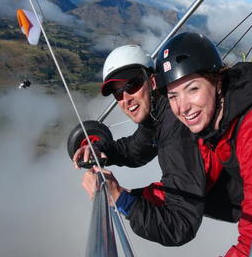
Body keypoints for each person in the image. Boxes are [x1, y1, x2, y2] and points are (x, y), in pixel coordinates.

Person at [155, 32, 252, 257]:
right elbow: (193, 178)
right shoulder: (218, 124)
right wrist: (129, 198)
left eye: (193, 89)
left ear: (217, 82)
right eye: (173, 96)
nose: (182, 107)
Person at [73, 44, 206, 246]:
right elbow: (136, 150)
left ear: (152, 82)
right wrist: (99, 150)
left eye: (132, 85)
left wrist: (119, 198)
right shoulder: (157, 114)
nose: (126, 98)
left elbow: (180, 227)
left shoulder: (176, 129)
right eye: (118, 93)